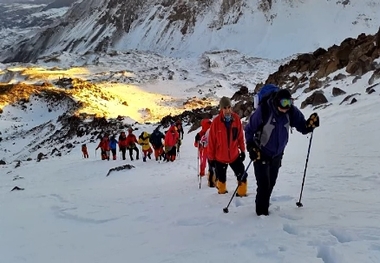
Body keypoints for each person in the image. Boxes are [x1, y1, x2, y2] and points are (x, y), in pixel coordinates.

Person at [244, 88, 319, 216]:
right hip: (260, 152)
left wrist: (310, 125)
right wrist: (251, 146)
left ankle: (264, 205)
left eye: (289, 103)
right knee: (263, 184)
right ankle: (261, 215)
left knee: (271, 182)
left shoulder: (291, 111)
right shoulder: (264, 110)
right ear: (277, 102)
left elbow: (302, 126)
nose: (286, 107)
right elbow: (249, 129)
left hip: (277, 154)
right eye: (284, 103)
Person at [207, 97, 247, 196]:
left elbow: (240, 137)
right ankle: (221, 193)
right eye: (225, 108)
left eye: (229, 107)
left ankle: (242, 193)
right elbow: (211, 141)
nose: (228, 110)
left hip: (234, 155)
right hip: (220, 158)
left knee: (242, 175)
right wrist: (211, 158)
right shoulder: (216, 122)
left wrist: (242, 150)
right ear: (221, 109)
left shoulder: (236, 119)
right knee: (221, 178)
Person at [194, 118, 216, 187]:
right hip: (211, 150)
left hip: (203, 150)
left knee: (203, 162)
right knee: (213, 164)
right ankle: (214, 178)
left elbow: (195, 144)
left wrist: (198, 142)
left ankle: (202, 172)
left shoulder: (200, 133)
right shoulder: (212, 130)